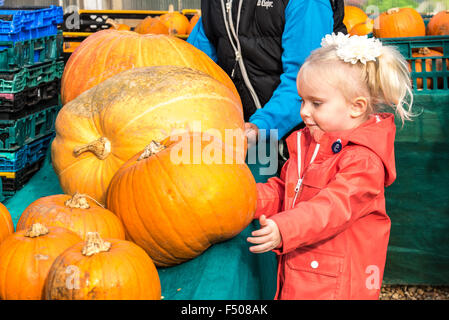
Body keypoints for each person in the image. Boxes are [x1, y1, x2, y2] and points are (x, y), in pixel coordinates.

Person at [246, 33, 414, 299]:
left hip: (335, 287)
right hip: (304, 277)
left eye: (316, 103)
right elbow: (288, 190)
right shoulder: (311, 144)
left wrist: (285, 228)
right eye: (302, 100)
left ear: (356, 107)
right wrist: (246, 199)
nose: (303, 111)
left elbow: (333, 207)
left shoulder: (364, 161)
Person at [187, 0, 347, 177]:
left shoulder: (307, 3)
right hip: (244, 134)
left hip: (300, 138)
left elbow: (306, 81)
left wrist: (261, 126)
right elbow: (191, 67)